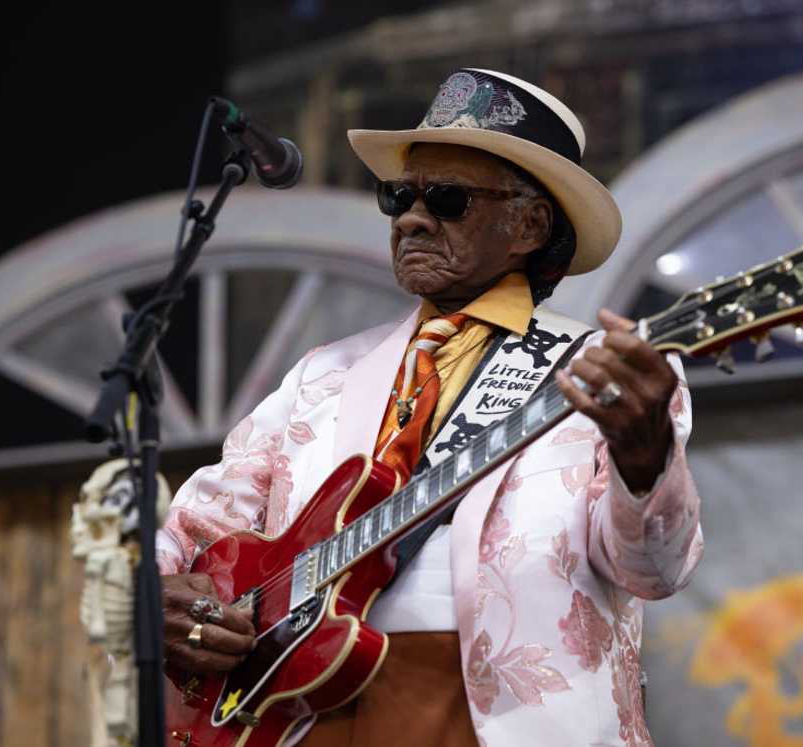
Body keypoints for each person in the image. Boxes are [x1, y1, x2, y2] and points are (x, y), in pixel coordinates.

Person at [156, 68, 703, 747]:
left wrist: (644, 457)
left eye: (447, 198)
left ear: (529, 224)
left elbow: (654, 568)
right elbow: (190, 535)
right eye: (399, 195)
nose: (412, 216)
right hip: (298, 717)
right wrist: (164, 601)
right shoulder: (321, 375)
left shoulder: (608, 374)